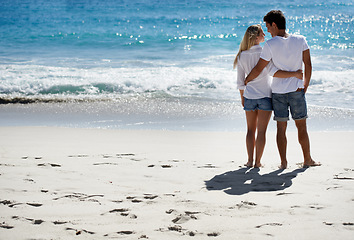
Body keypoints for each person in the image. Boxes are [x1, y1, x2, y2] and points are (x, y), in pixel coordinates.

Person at [245, 10, 321, 169]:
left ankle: (284, 163)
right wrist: (305, 85)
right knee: (302, 127)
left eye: (268, 27)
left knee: (281, 128)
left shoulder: (270, 45)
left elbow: (259, 68)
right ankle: (307, 159)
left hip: (278, 93)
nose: (267, 31)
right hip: (297, 91)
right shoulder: (300, 40)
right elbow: (308, 64)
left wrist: (247, 80)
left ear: (274, 24)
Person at [235, 24, 303, 168]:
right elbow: (273, 70)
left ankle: (249, 160)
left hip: (249, 97)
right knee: (261, 132)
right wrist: (294, 74)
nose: (264, 35)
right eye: (261, 33)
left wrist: (243, 97)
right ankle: (257, 162)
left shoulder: (241, 55)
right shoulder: (264, 51)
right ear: (256, 37)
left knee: (250, 130)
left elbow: (240, 82)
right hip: (265, 96)